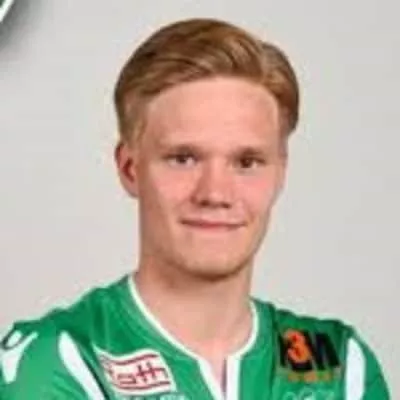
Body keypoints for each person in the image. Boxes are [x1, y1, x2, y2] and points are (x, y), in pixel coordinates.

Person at [0, 18, 390, 400]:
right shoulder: (58, 359)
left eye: (247, 162)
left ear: (280, 173)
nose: (215, 193)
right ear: (130, 168)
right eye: (183, 158)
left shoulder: (340, 368)